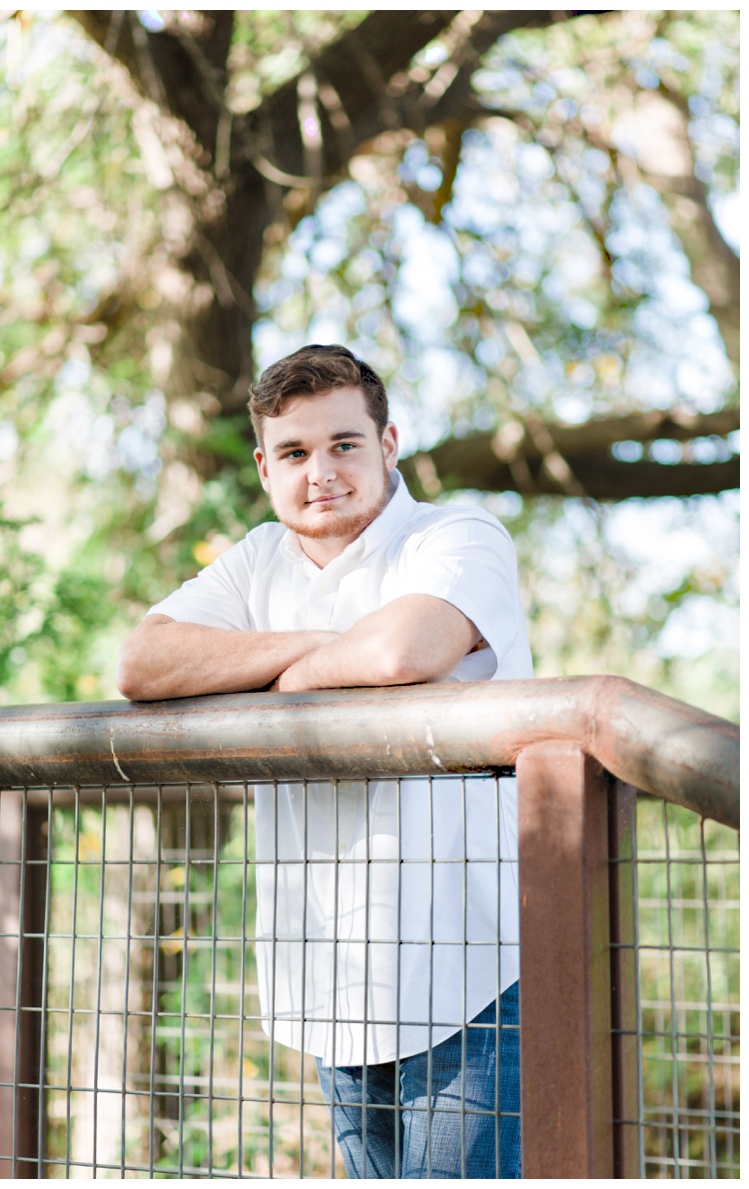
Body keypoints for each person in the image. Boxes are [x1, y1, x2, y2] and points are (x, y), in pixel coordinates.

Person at [117, 344, 533, 1178]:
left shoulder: (456, 533)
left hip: (471, 988)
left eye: (344, 444)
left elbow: (404, 648)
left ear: (388, 444)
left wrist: (270, 673)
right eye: (297, 453)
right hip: (330, 987)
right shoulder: (258, 558)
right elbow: (143, 664)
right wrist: (317, 650)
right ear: (266, 465)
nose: (322, 472)